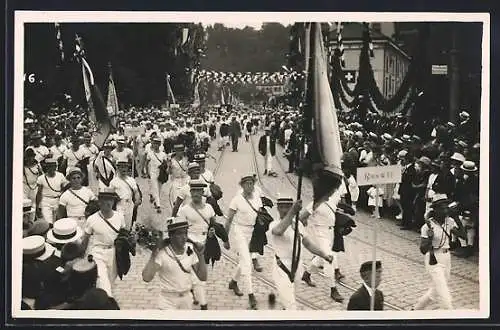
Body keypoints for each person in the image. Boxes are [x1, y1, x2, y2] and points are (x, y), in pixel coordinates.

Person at [270, 197, 335, 310]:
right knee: (291, 307)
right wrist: (292, 213)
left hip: (297, 267)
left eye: (288, 207)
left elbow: (308, 244)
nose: (285, 210)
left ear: (291, 207)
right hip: (282, 267)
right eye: (282, 207)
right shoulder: (274, 224)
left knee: (290, 300)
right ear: (278, 209)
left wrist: (324, 255)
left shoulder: (298, 225)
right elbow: (278, 231)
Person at [142, 217, 207, 310]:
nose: (184, 237)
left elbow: (202, 277)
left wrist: (201, 255)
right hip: (167, 301)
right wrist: (153, 255)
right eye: (179, 234)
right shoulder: (162, 253)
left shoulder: (190, 249)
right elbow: (146, 277)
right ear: (171, 235)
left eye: (185, 233)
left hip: (187, 299)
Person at [413, 199, 466, 310]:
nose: (446, 210)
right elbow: (423, 250)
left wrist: (456, 218)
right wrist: (430, 238)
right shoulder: (427, 226)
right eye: (443, 208)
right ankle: (449, 314)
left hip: (446, 258)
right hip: (433, 259)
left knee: (435, 291)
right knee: (444, 293)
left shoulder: (449, 222)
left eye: (447, 208)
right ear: (436, 210)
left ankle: (416, 309)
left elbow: (463, 236)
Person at [224, 174, 265, 309]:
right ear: (242, 186)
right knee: (247, 263)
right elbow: (229, 219)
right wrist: (225, 238)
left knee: (243, 261)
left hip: (252, 232)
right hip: (239, 231)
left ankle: (233, 282)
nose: (250, 186)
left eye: (252, 184)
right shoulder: (236, 200)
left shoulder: (258, 199)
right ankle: (251, 295)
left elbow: (260, 215)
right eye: (247, 184)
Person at [299, 184, 345, 303]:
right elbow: (301, 217)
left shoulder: (330, 202)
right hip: (320, 233)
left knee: (320, 258)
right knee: (329, 259)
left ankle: (307, 274)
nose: (331, 193)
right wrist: (306, 225)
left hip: (330, 233)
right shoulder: (314, 203)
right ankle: (333, 289)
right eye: (329, 191)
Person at [80, 188, 125, 298]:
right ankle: (108, 306)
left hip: (113, 253)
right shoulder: (92, 219)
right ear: (99, 202)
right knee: (102, 281)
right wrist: (81, 256)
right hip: (97, 253)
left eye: (110, 200)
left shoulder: (119, 217)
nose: (108, 203)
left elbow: (123, 235)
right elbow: (85, 239)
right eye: (104, 200)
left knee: (110, 281)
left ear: (114, 202)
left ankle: (105, 301)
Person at [110, 161, 142, 230]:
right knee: (119, 224)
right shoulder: (113, 182)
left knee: (128, 225)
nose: (123, 169)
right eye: (121, 167)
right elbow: (109, 195)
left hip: (129, 204)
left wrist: (137, 199)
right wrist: (115, 198)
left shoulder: (131, 180)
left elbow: (136, 192)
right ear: (118, 169)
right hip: (119, 204)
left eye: (125, 167)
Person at [35, 158, 69, 224]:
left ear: (55, 167)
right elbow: (39, 193)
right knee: (48, 222)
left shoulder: (60, 176)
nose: (51, 168)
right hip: (46, 201)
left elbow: (63, 189)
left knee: (57, 222)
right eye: (49, 166)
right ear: (46, 167)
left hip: (57, 200)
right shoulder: (41, 178)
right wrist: (37, 207)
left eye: (53, 166)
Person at [145, 137, 169, 213]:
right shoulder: (150, 154)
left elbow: (166, 164)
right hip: (153, 172)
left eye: (157, 144)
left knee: (159, 189)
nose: (156, 145)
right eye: (154, 144)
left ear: (159, 145)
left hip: (160, 173)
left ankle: (154, 198)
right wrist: (147, 172)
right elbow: (146, 163)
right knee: (155, 188)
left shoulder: (163, 154)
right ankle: (158, 205)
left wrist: (165, 167)